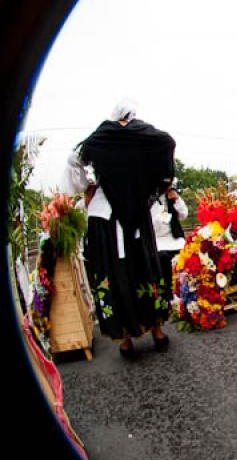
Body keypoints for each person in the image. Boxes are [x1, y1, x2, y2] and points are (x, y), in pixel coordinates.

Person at [63, 99, 175, 359]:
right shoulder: (143, 134)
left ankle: (124, 340)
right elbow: (167, 143)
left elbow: (73, 159)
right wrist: (152, 181)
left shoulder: (103, 136)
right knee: (143, 267)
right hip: (135, 211)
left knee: (111, 271)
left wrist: (88, 185)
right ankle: (156, 331)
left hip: (105, 215)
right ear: (132, 116)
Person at [150, 179, 188, 306]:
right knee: (163, 258)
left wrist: (176, 200)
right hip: (160, 240)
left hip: (175, 238)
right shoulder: (150, 201)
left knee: (189, 255)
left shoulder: (172, 197)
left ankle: (188, 290)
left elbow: (184, 214)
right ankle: (169, 294)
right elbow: (151, 223)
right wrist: (162, 218)